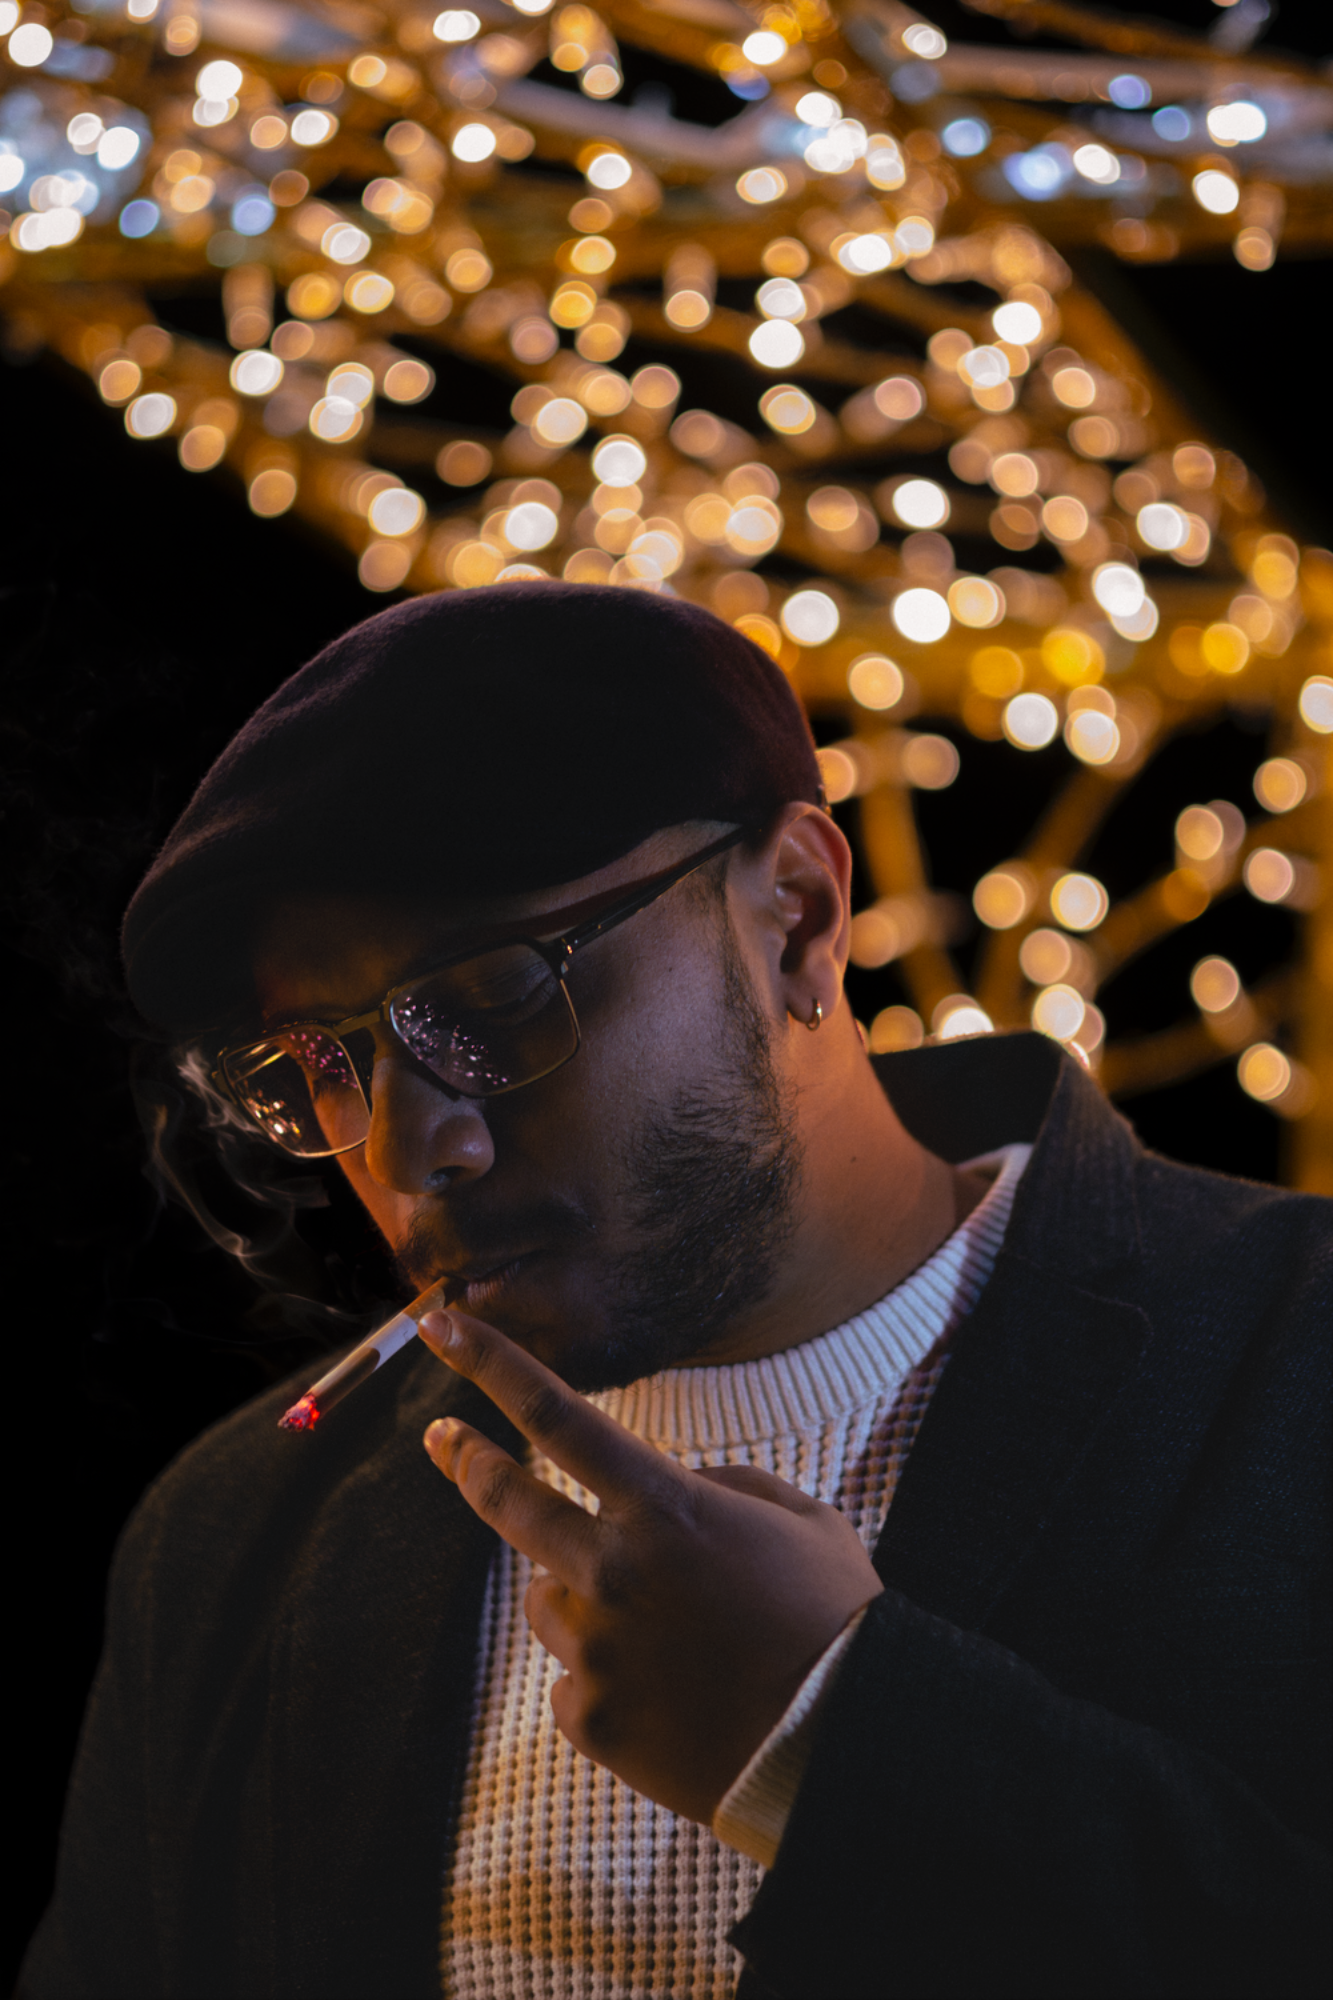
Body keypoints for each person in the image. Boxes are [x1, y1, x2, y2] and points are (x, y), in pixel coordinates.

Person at [19, 583, 1330, 2000]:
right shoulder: (235, 1536)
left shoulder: (1297, 1358)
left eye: (497, 994)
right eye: (325, 1065)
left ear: (798, 917)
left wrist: (838, 1739)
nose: (407, 1152)